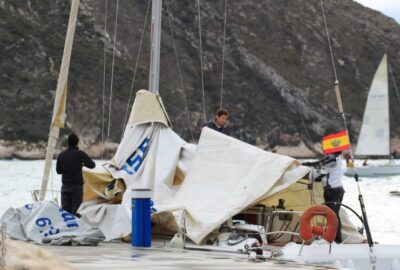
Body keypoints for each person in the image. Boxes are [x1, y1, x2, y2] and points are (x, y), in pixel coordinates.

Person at [303, 151, 345, 243]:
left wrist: (304, 165)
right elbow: (319, 177)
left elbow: (319, 163)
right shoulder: (336, 160)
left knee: (332, 215)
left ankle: (335, 240)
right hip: (336, 190)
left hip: (332, 190)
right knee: (334, 215)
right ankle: (336, 239)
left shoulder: (333, 157)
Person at [56, 134, 95, 216]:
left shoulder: (61, 155)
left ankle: (65, 228)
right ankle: (75, 228)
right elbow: (92, 165)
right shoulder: (80, 154)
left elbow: (58, 171)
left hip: (65, 187)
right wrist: (81, 165)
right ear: (77, 143)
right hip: (76, 188)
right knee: (76, 211)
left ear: (68, 143)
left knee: (65, 212)